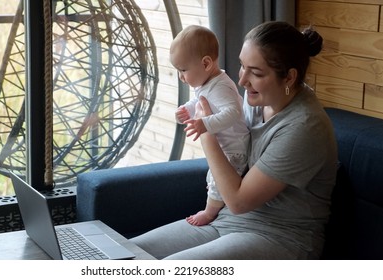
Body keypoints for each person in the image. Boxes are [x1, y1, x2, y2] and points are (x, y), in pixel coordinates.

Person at [131, 21, 338, 259]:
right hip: (227, 220)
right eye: (242, 66)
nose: (242, 81)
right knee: (126, 254)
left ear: (289, 77)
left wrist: (206, 129)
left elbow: (239, 201)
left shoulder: (304, 126)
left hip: (280, 236)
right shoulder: (259, 101)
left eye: (256, 73)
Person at [171, 25, 250, 226]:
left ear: (206, 63)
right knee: (213, 179)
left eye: (183, 70)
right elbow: (200, 103)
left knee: (217, 182)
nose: (181, 77)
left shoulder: (221, 86)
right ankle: (217, 202)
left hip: (235, 149)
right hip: (224, 149)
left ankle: (209, 212)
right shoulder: (206, 84)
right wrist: (186, 111)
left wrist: (204, 124)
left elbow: (233, 113)